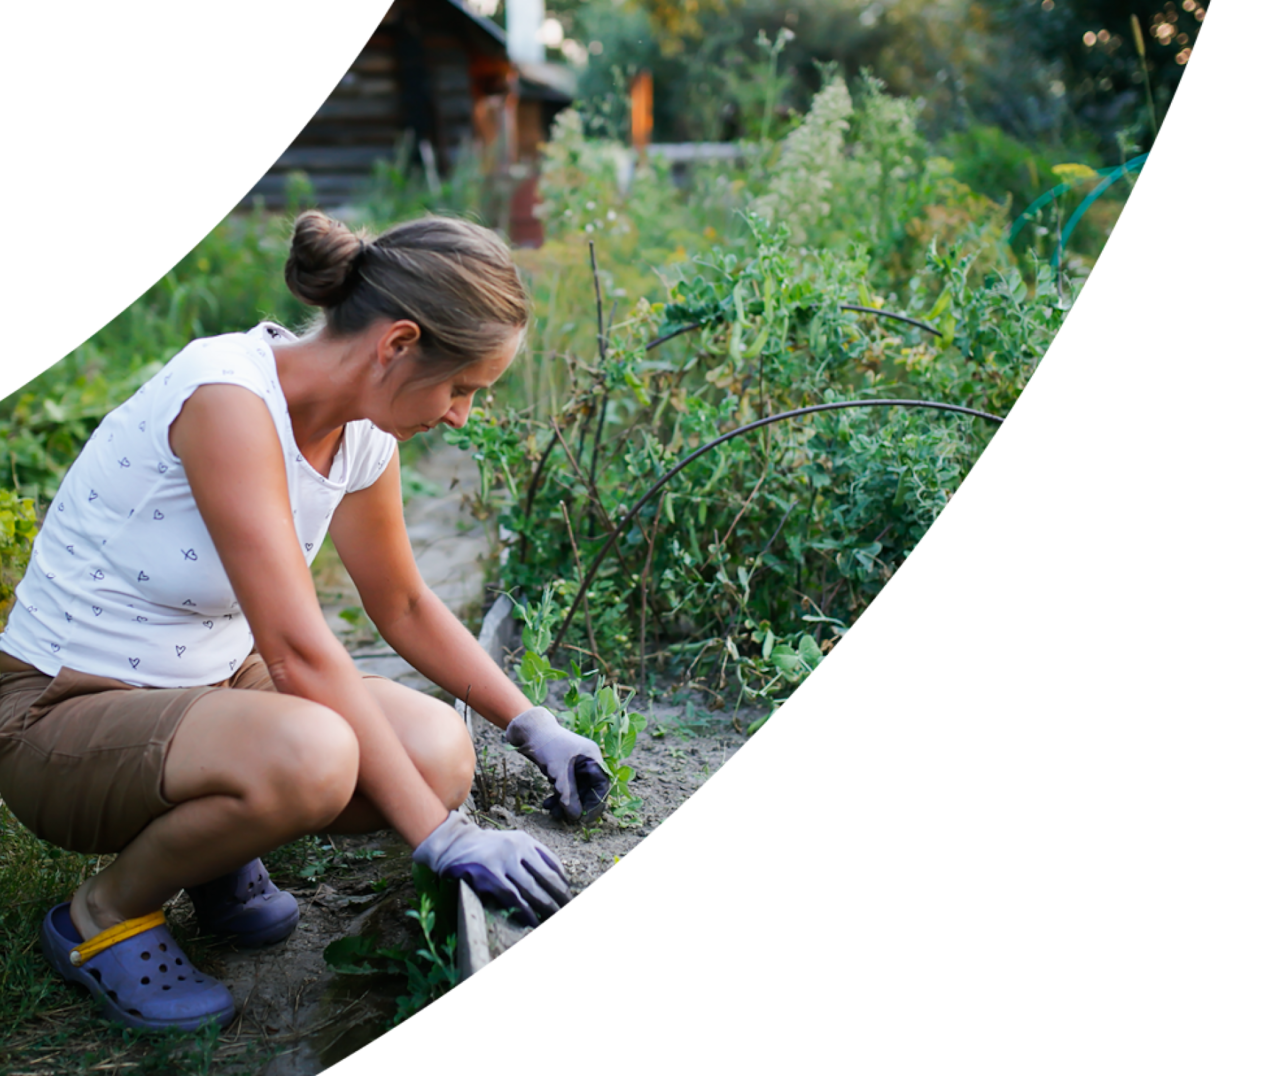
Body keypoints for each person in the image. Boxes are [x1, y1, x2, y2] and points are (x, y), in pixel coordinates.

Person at [0, 210, 610, 1033]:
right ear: (397, 344)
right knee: (317, 756)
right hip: (58, 714)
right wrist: (443, 841)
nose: (462, 414)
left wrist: (532, 726)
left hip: (208, 688)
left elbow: (401, 605)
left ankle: (207, 851)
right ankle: (101, 917)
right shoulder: (227, 394)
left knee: (438, 754)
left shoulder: (362, 436)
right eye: (461, 386)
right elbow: (294, 651)